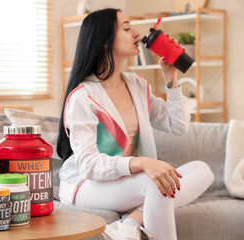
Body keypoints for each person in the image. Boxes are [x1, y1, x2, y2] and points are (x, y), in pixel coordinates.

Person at [56, 8, 214, 240]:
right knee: (155, 184)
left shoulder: (136, 85)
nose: (136, 33)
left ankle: (130, 223)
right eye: (127, 28)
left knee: (202, 170)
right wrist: (141, 163)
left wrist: (171, 80)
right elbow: (89, 165)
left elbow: (178, 126)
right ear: (104, 41)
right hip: (86, 183)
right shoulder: (83, 96)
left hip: (125, 182)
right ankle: (133, 221)